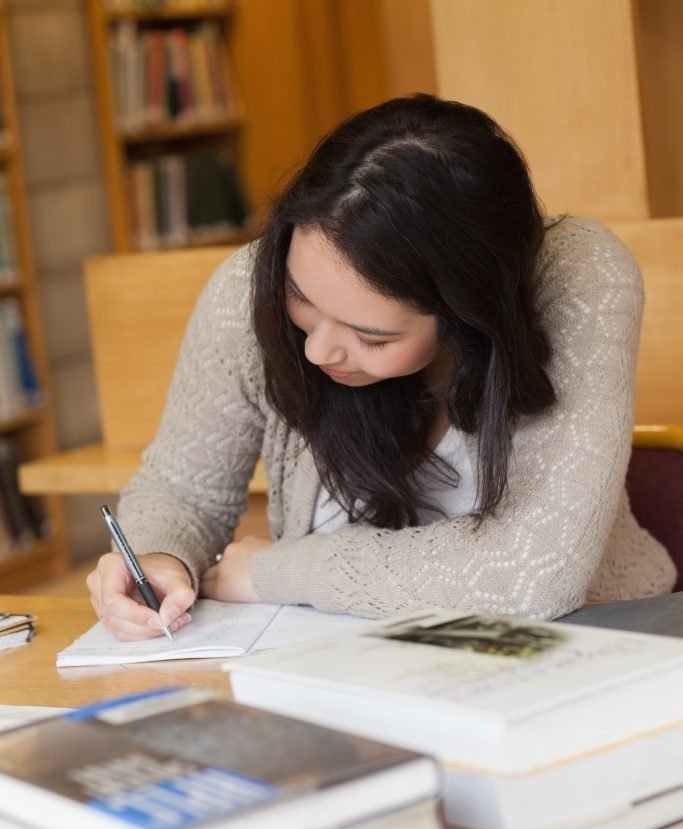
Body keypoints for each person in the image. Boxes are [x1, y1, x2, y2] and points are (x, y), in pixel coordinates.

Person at [87, 93, 676, 641]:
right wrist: (160, 557)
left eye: (370, 336)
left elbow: (531, 570)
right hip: (336, 656)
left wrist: (278, 570)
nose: (318, 352)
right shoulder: (248, 288)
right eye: (302, 300)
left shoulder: (573, 273)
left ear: (467, 312)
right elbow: (183, 492)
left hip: (591, 641)